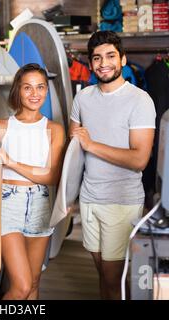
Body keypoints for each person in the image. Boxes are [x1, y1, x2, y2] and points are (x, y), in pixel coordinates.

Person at [0, 63, 65, 300]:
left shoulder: (54, 129)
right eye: (28, 87)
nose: (34, 93)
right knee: (22, 286)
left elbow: (52, 176)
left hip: (40, 204)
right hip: (6, 204)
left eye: (40, 87)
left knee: (34, 282)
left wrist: (10, 161)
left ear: (47, 91)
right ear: (18, 90)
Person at [70, 31, 156, 300]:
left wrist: (92, 144)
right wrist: (65, 196)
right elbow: (73, 151)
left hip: (121, 201)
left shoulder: (140, 100)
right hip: (89, 199)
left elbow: (139, 159)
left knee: (112, 277)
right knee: (104, 275)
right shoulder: (82, 98)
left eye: (110, 56)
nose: (103, 63)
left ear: (123, 59)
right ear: (91, 63)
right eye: (97, 58)